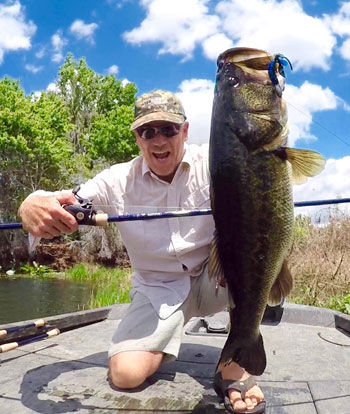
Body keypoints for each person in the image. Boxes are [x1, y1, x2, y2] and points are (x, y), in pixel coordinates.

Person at [18, 90, 265, 413]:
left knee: (259, 248)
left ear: (186, 131)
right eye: (147, 132)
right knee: (125, 375)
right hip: (157, 290)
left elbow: (260, 175)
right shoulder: (115, 180)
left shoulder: (217, 163)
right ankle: (170, 330)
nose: (158, 140)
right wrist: (31, 204)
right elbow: (65, 200)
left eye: (168, 129)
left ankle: (232, 365)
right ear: (136, 138)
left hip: (215, 277)